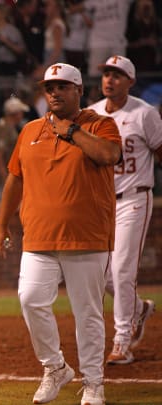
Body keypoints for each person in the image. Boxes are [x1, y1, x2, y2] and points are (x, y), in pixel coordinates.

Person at [0, 63, 121, 405]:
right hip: (39, 236)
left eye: (62, 86)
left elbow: (109, 155)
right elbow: (15, 178)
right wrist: (1, 222)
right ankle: (55, 367)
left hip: (86, 236)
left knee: (87, 312)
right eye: (49, 87)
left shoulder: (100, 124)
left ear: (79, 90)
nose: (54, 92)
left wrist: (72, 131)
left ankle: (94, 382)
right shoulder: (30, 130)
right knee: (30, 299)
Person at [88, 55, 160, 365]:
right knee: (99, 274)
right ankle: (139, 310)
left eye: (117, 75)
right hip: (101, 201)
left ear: (130, 82)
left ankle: (122, 339)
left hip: (134, 197)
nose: (110, 80)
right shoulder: (89, 114)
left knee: (122, 270)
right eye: (106, 74)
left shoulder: (144, 113)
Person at [0, 97, 29, 199]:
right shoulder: (4, 128)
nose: (22, 115)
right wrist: (6, 180)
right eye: (20, 112)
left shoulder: (10, 127)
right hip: (6, 177)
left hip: (12, 176)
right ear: (15, 113)